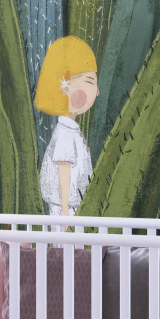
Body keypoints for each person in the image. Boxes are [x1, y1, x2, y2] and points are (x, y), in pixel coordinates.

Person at [33, 36, 99, 217]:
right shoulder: (66, 133)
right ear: (65, 86)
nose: (96, 91)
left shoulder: (71, 130)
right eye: (89, 82)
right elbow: (63, 167)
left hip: (70, 206)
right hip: (66, 209)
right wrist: (64, 210)